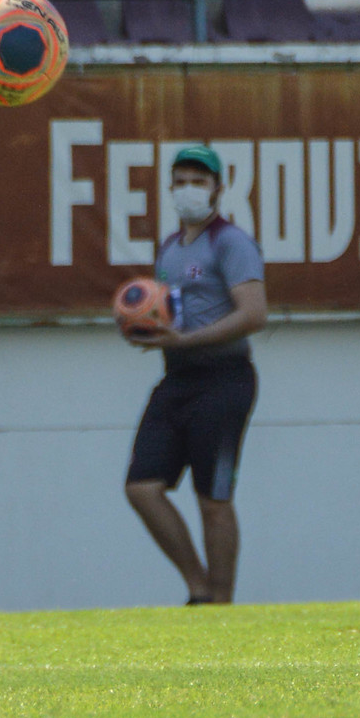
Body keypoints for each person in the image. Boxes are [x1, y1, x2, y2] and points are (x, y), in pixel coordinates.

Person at [124, 145, 268, 605]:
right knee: (143, 487)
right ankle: (198, 586)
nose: (189, 189)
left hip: (224, 379)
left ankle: (219, 602)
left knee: (213, 497)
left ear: (218, 190)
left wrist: (188, 340)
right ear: (170, 188)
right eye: (181, 180)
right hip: (178, 378)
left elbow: (254, 314)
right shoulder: (169, 247)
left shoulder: (230, 242)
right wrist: (148, 329)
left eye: (199, 181)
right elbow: (168, 312)